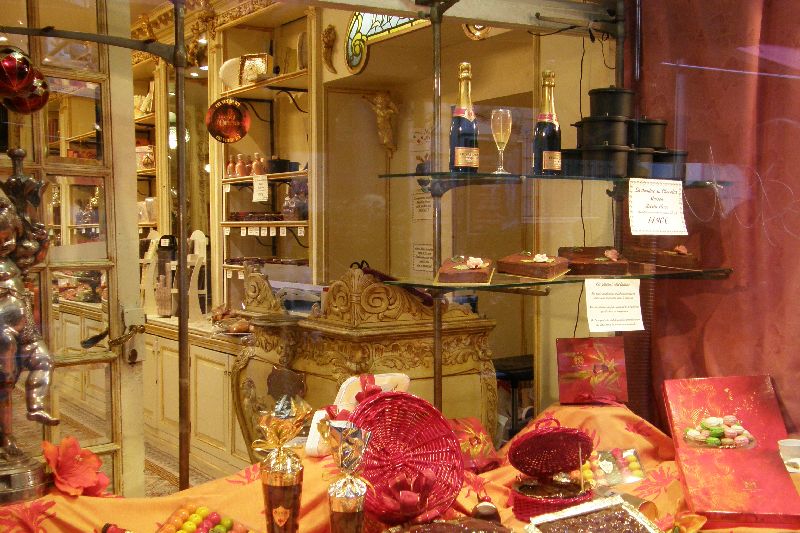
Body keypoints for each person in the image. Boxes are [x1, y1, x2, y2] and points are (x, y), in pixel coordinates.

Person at [0, 148, 58, 460]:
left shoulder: (13, 261)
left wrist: (44, 240)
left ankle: (35, 405)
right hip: (4, 330)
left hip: (25, 326)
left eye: (8, 237)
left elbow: (34, 256)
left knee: (44, 360)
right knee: (5, 384)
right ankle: (6, 437)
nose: (5, 244)